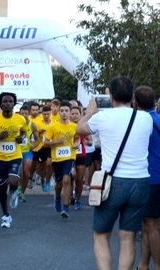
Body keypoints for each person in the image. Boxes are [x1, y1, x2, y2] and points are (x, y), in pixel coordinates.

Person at [76, 76, 152, 270]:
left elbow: (80, 129)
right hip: (140, 181)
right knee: (127, 237)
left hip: (112, 182)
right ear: (132, 97)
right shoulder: (145, 118)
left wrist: (89, 112)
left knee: (101, 234)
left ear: (111, 97)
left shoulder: (102, 117)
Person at [0, 92, 26, 229]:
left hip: (15, 156)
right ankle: (6, 215)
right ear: (0, 104)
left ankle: (13, 191)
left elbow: (23, 132)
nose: (8, 104)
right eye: (5, 102)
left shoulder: (20, 119)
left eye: (10, 101)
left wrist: (21, 138)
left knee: (13, 180)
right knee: (1, 189)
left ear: (14, 104)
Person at [133, 86, 160, 270]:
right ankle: (143, 264)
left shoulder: (141, 122)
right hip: (155, 176)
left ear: (135, 102)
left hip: (150, 177)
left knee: (150, 225)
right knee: (149, 225)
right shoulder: (157, 119)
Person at [43, 101, 78, 219]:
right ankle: (57, 197)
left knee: (67, 180)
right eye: (62, 111)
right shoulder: (53, 126)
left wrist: (76, 144)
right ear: (59, 112)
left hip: (70, 157)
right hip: (57, 158)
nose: (64, 113)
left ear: (69, 112)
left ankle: (66, 207)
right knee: (59, 184)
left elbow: (78, 138)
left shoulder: (74, 126)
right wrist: (57, 141)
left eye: (66, 111)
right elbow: (45, 143)